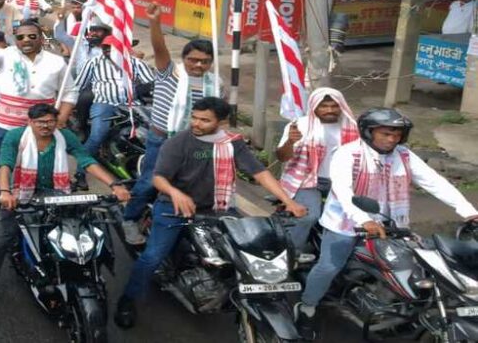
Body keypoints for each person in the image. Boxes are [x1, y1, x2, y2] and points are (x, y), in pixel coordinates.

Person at [114, 97, 306, 329]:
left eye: (205, 120)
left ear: (221, 121)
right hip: (174, 206)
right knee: (152, 257)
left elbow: (259, 173)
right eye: (194, 117)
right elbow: (158, 178)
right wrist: (176, 193)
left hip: (218, 206)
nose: (196, 123)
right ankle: (128, 299)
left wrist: (288, 201)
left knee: (246, 249)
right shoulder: (178, 143)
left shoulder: (233, 143)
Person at [293, 108, 478, 339]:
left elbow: (435, 183)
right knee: (329, 266)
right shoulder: (348, 154)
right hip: (345, 223)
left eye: (397, 134)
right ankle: (307, 307)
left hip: (390, 226)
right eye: (386, 134)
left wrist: (469, 212)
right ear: (369, 132)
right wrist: (364, 220)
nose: (392, 139)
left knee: (414, 267)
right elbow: (342, 191)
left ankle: (398, 311)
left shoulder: (404, 156)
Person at [0, 104, 131, 307]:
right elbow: (5, 165)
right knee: (3, 239)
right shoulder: (16, 136)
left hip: (57, 192)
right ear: (30, 122)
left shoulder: (65, 136)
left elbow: (86, 160)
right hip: (20, 193)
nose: (46, 126)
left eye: (50, 121)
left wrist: (114, 184)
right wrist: (4, 192)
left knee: (80, 228)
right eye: (40, 122)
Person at [0, 14, 78, 228]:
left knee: (39, 165)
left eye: (31, 36)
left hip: (41, 127)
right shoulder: (6, 55)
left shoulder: (57, 63)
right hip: (5, 125)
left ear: (42, 38)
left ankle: (32, 203)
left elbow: (70, 93)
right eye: (20, 37)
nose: (25, 40)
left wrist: (61, 118)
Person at [121, 2, 224, 245]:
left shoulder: (216, 83)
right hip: (163, 139)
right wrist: (155, 22)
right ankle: (129, 218)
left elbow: (218, 115)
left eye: (204, 61)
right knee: (149, 182)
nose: (198, 65)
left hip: (197, 142)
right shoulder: (170, 72)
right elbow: (159, 48)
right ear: (184, 58)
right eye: (193, 59)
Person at [274, 88, 358, 250]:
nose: (329, 110)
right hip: (306, 181)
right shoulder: (300, 125)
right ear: (314, 107)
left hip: (343, 182)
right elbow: (282, 157)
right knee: (307, 217)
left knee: (356, 217)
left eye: (334, 106)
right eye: (324, 106)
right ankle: (291, 253)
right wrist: (290, 142)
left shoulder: (353, 127)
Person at [79, 39, 157, 158]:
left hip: (133, 104)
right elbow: (79, 85)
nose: (107, 51)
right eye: (105, 48)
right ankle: (81, 169)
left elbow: (152, 83)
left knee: (153, 131)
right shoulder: (93, 63)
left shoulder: (136, 63)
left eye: (112, 48)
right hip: (104, 103)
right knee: (98, 136)